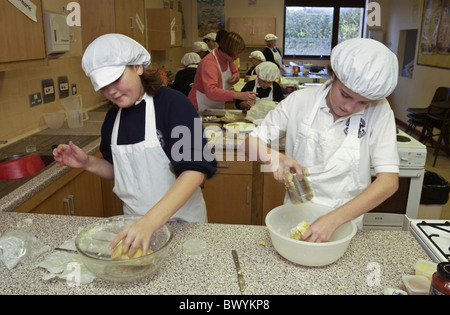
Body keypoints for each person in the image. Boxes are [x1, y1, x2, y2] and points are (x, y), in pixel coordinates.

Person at [53, 34, 217, 257]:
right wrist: (88, 162)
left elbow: (195, 171)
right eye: (103, 86)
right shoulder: (113, 119)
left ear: (138, 67)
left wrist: (150, 222)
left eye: (116, 79)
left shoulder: (173, 104)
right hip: (135, 229)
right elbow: (120, 172)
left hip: (184, 225)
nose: (111, 91)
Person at [244, 38, 400, 242]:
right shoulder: (300, 101)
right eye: (345, 95)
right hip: (296, 217)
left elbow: (388, 182)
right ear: (333, 75)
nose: (349, 108)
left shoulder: (380, 111)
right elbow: (250, 143)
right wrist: (274, 158)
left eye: (363, 102)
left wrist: (334, 220)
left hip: (347, 222)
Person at [188, 32, 257, 113]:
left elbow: (235, 72)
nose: (239, 55)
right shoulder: (209, 63)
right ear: (228, 50)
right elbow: (211, 91)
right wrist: (239, 95)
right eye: (238, 52)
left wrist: (236, 76)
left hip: (216, 105)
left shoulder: (228, 59)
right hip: (200, 107)